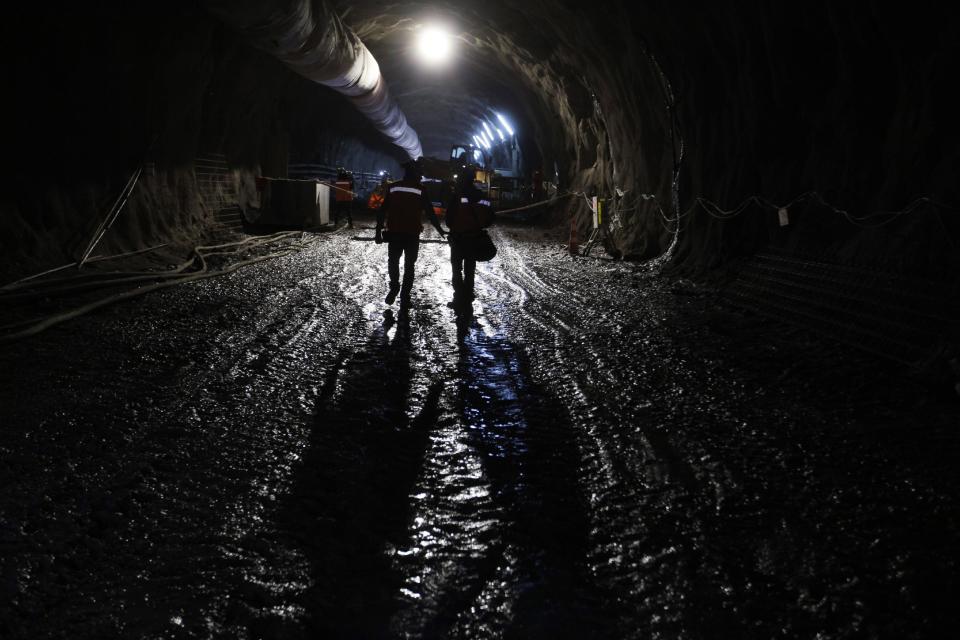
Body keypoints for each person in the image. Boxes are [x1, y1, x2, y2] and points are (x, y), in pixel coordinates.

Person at [375, 159, 446, 307]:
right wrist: (440, 231)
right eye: (419, 173)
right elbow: (430, 213)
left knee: (393, 261)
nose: (421, 176)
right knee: (409, 265)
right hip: (411, 234)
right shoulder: (421, 190)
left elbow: (382, 210)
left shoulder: (393, 187)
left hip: (394, 232)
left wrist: (378, 232)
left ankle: (394, 287)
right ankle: (405, 296)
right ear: (415, 173)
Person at [444, 170, 494, 314]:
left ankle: (459, 296)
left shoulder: (457, 196)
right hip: (474, 238)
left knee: (456, 269)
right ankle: (468, 295)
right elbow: (490, 217)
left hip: (458, 239)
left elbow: (449, 220)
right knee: (470, 269)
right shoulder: (481, 196)